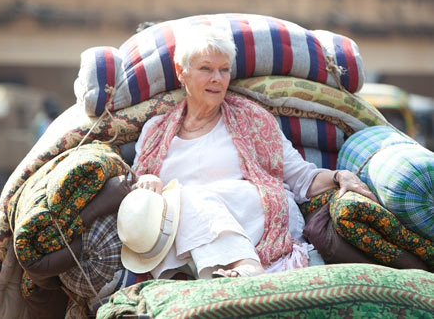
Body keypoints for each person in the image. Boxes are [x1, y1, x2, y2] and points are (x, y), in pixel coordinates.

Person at [128, 25, 378, 279]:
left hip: (252, 220)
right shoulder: (155, 130)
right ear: (181, 72)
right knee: (175, 205)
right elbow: (138, 198)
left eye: (224, 70)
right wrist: (145, 181)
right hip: (185, 236)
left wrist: (338, 177)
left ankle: (246, 265)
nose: (217, 78)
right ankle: (218, 277)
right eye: (206, 68)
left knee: (188, 197)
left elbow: (302, 178)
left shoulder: (253, 119)